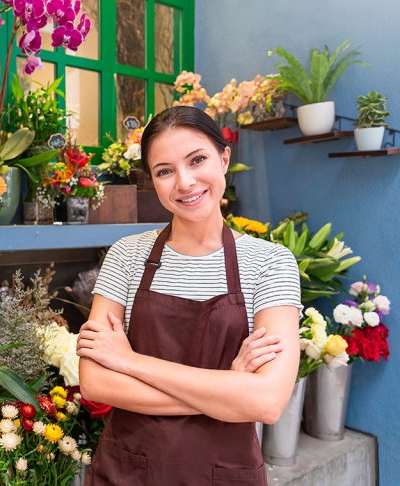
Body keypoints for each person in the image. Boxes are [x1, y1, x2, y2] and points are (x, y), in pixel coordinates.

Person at [77, 106, 302, 485]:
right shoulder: (126, 256)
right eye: (164, 171)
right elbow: (97, 383)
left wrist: (130, 362)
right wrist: (227, 387)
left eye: (197, 160)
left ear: (224, 158)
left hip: (224, 475)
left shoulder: (270, 264)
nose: (184, 182)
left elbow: (266, 401)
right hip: (127, 471)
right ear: (152, 180)